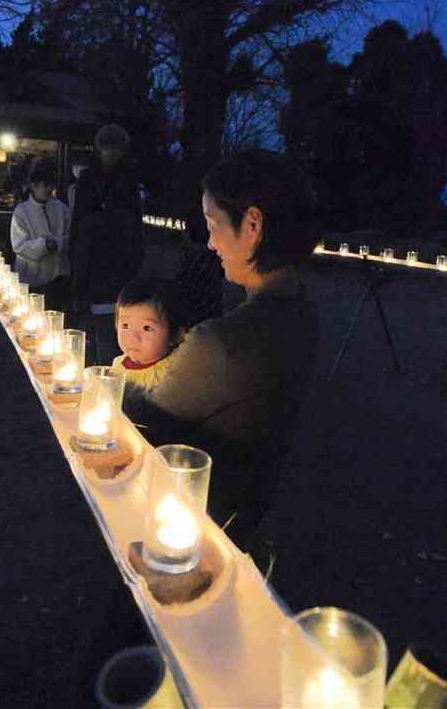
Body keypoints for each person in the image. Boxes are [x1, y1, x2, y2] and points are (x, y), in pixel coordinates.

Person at [124, 148, 320, 568]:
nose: (210, 243)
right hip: (251, 505)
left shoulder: (224, 341)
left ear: (252, 225)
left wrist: (113, 380)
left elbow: (138, 422)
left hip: (197, 523)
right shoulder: (303, 310)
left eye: (213, 224)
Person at [69, 124, 144, 364]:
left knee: (119, 325)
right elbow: (78, 224)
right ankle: (98, 373)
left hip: (121, 259)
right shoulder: (88, 178)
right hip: (93, 259)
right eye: (107, 149)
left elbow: (135, 224)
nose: (111, 154)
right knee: (97, 326)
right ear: (99, 149)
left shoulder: (129, 179)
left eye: (116, 149)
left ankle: (111, 375)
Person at [10, 166, 70, 311]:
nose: (48, 189)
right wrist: (44, 245)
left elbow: (70, 235)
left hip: (57, 276)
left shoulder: (61, 208)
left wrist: (57, 243)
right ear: (33, 186)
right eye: (44, 185)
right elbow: (19, 245)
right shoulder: (21, 211)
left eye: (50, 185)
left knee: (54, 316)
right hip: (32, 277)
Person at [112, 278, 186, 390]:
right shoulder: (118, 364)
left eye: (147, 328)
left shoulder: (172, 372)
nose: (132, 338)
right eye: (125, 326)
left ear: (176, 335)